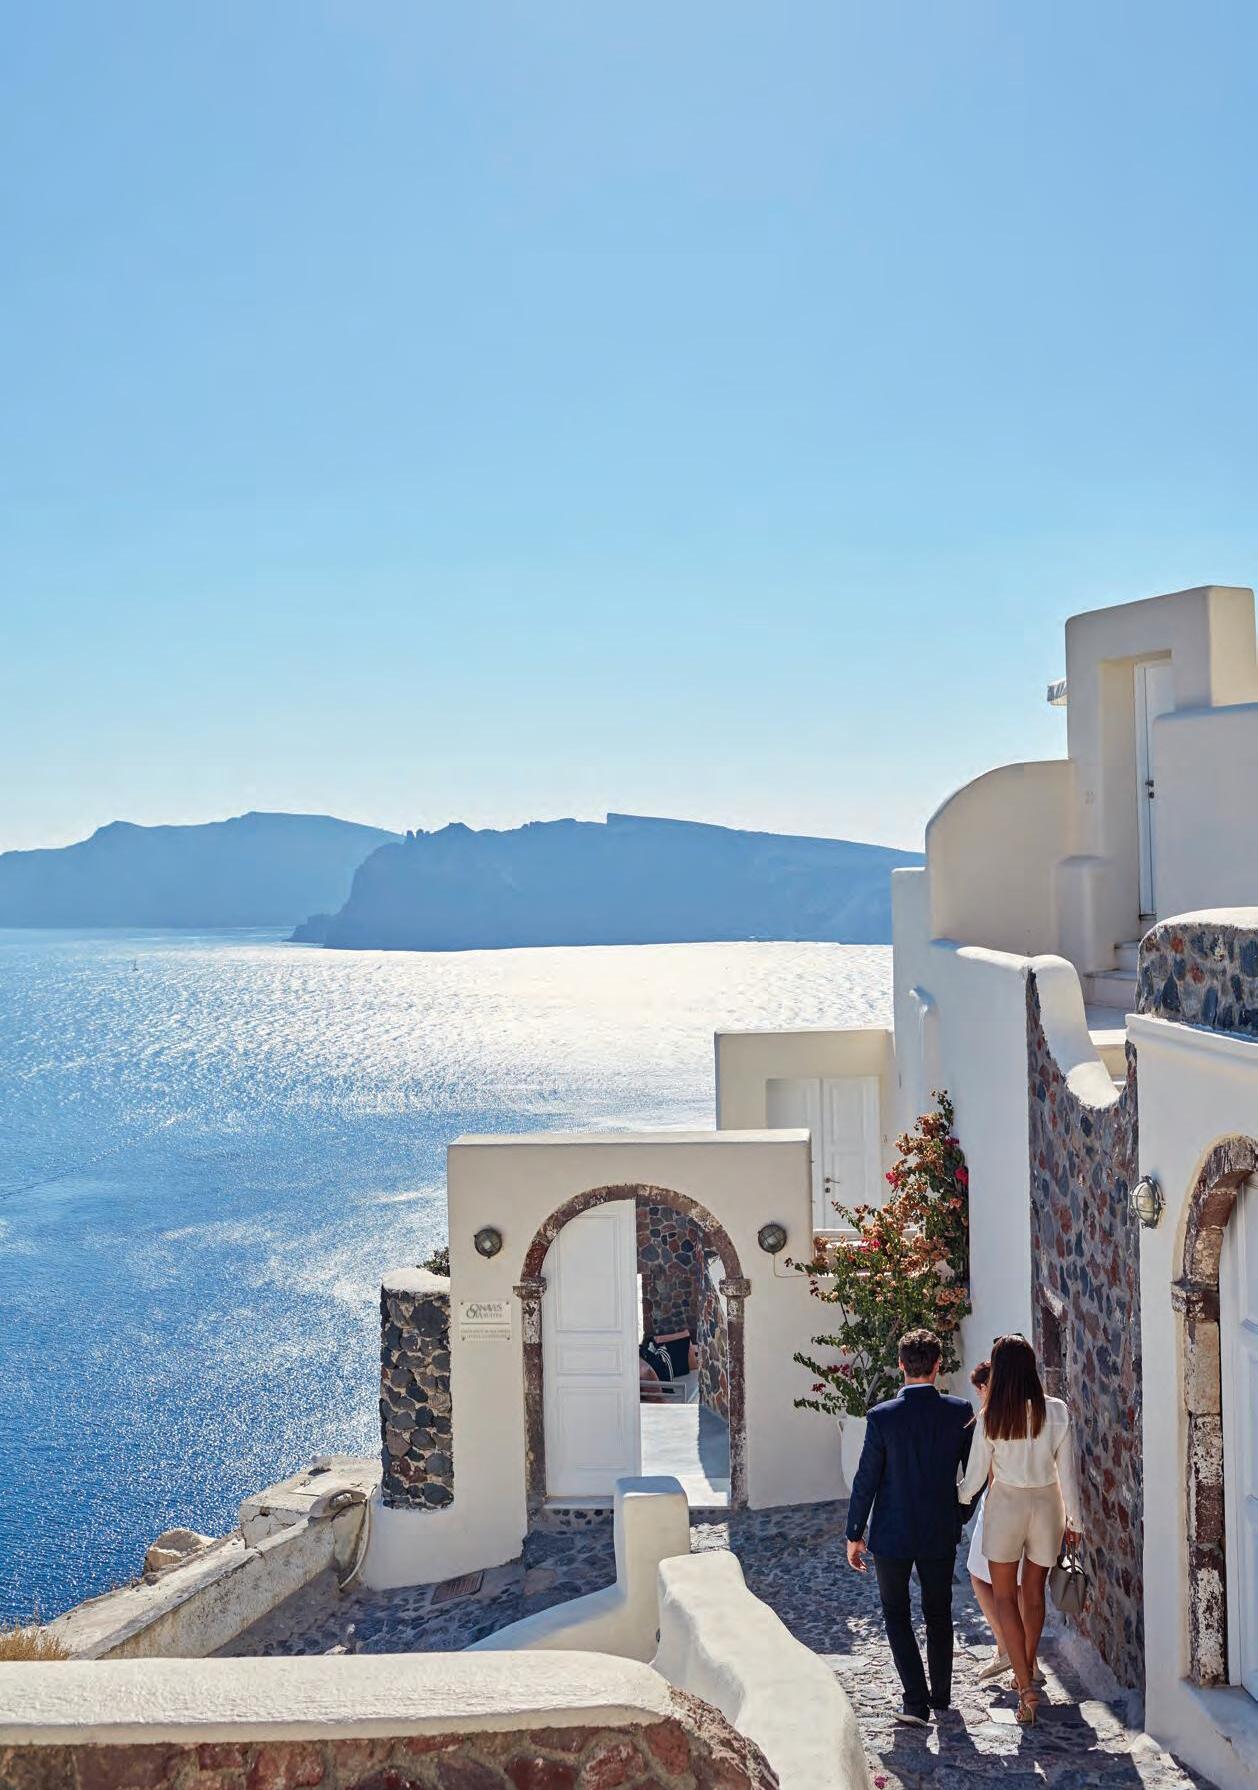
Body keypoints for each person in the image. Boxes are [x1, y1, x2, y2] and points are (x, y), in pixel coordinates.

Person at [846, 1328, 977, 1727]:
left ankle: (916, 1702)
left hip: (893, 1534)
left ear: (900, 1364)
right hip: (940, 1529)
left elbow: (866, 1479)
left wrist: (854, 1533)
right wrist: (960, 1512)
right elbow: (976, 1473)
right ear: (939, 1365)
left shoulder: (882, 1417)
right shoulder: (959, 1412)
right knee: (938, 1612)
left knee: (896, 1614)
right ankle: (941, 1696)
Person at [958, 1334, 1083, 1727]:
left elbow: (974, 1479)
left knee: (1004, 1597)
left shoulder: (991, 1415)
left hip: (1006, 1508)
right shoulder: (1056, 1411)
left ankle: (1026, 1688)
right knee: (1033, 1594)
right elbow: (1068, 1474)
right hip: (1047, 1506)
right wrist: (1075, 1522)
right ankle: (1025, 1669)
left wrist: (953, 1498)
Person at [965, 1360, 1025, 1683]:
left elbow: (978, 1473)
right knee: (1019, 1585)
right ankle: (1021, 1655)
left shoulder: (990, 1418)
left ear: (989, 1387)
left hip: (997, 1507)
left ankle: (1007, 1649)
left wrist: (957, 1498)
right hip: (1031, 1506)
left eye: (980, 1389)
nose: (979, 1395)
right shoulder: (1033, 1411)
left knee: (980, 1576)